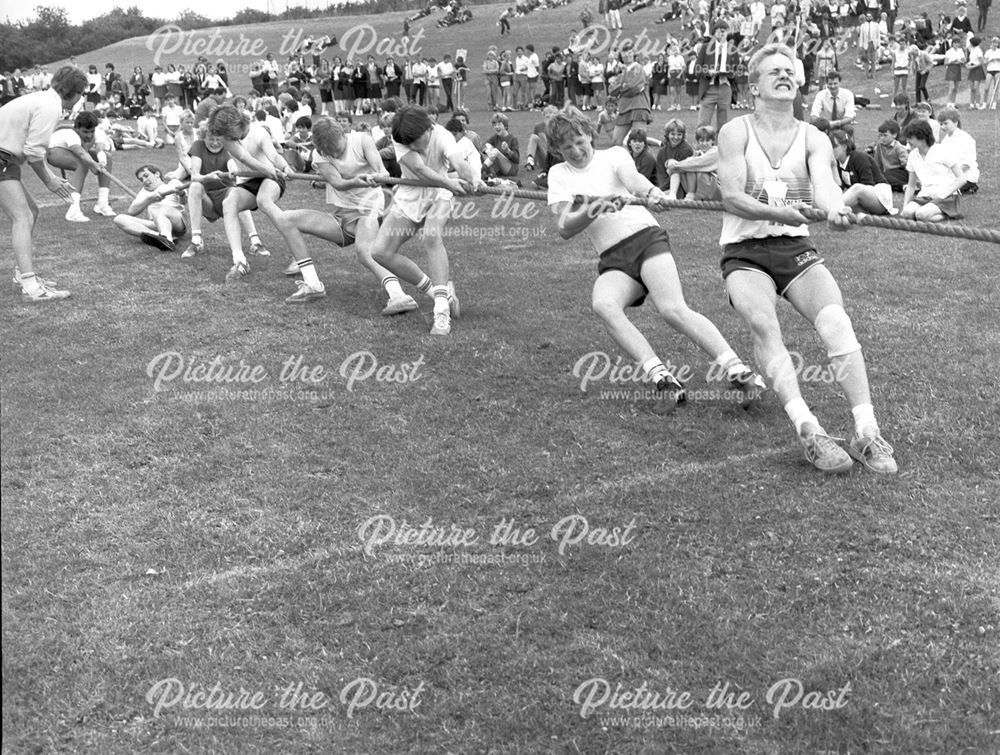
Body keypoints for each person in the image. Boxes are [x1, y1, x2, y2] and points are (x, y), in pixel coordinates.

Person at [717, 42, 898, 474]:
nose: (785, 76)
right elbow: (732, 196)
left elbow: (824, 188)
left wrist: (834, 208)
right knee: (764, 325)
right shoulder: (735, 131)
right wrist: (779, 211)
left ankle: (866, 430)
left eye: (790, 71)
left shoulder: (813, 136)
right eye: (773, 71)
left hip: (795, 247)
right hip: (744, 252)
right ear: (753, 86)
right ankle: (809, 429)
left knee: (836, 321)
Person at [545, 108, 766, 415]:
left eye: (579, 141)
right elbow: (564, 226)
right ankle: (663, 380)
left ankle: (740, 373)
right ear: (557, 150)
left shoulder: (613, 156)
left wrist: (651, 192)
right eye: (566, 148)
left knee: (672, 309)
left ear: (589, 135)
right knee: (604, 304)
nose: (576, 151)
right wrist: (594, 207)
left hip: (645, 237)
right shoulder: (559, 175)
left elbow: (633, 179)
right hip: (613, 258)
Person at [271, 117, 418, 311]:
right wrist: (358, 180)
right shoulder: (319, 154)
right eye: (329, 152)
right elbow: (338, 183)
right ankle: (313, 285)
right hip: (342, 217)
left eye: (337, 149)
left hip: (369, 209)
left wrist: (378, 176)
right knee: (285, 218)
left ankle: (399, 295)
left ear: (343, 134)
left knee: (365, 252)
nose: (334, 154)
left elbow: (380, 169)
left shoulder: (362, 140)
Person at [370, 105, 482, 336]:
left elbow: (459, 164)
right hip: (412, 194)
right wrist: (449, 182)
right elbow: (419, 170)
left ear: (428, 127)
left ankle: (441, 312)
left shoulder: (443, 135)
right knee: (380, 252)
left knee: (431, 236)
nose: (412, 146)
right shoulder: (402, 137)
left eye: (416, 141)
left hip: (439, 195)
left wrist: (474, 179)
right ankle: (440, 293)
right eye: (407, 143)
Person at [0, 65, 88, 301]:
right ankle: (31, 286)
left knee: (31, 211)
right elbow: (34, 153)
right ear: (75, 91)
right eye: (82, 93)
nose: (81, 98)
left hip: (6, 159)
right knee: (23, 216)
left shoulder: (42, 100)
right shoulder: (50, 106)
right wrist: (50, 181)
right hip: (2, 159)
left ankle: (23, 275)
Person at [206, 105, 291, 282]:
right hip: (250, 179)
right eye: (226, 137)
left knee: (264, 200)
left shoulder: (259, 132)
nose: (229, 139)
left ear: (238, 123)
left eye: (230, 135)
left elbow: (274, 157)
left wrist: (284, 168)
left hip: (273, 178)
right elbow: (245, 159)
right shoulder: (228, 137)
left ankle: (298, 252)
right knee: (229, 203)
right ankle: (240, 261)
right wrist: (268, 170)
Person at [180, 124, 264, 261]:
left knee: (238, 193)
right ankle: (196, 241)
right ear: (203, 137)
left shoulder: (228, 146)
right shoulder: (198, 146)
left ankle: (255, 242)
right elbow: (194, 176)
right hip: (207, 201)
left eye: (218, 139)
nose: (214, 143)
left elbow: (232, 165)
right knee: (195, 186)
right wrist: (207, 177)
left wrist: (233, 171)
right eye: (210, 139)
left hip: (227, 197)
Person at [45, 111, 116, 222]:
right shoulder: (71, 134)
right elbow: (81, 154)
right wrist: (93, 165)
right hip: (54, 153)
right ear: (77, 128)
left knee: (108, 157)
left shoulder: (98, 132)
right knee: (82, 162)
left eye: (91, 131)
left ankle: (102, 204)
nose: (89, 135)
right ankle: (74, 210)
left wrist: (101, 161)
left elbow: (100, 148)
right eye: (85, 132)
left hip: (76, 153)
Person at [900, 120, 967, 223]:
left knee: (921, 215)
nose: (907, 141)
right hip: (925, 195)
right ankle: (931, 213)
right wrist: (905, 206)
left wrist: (944, 193)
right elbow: (911, 185)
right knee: (907, 213)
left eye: (910, 138)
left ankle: (948, 214)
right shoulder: (912, 156)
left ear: (922, 137)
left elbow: (962, 179)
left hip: (947, 196)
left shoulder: (941, 150)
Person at [112, 164, 187, 251]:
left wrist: (182, 194)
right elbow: (132, 211)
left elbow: (184, 202)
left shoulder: (173, 183)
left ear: (157, 174)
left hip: (177, 223)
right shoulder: (144, 192)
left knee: (160, 210)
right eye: (141, 179)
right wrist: (150, 199)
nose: (144, 180)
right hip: (157, 224)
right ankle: (157, 237)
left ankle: (168, 240)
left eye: (146, 176)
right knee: (119, 219)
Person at [829, 129, 895, 215]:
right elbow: (838, 188)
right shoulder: (837, 162)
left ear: (844, 146)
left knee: (857, 188)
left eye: (833, 147)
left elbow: (868, 185)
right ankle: (861, 214)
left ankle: (830, 210)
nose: (830, 150)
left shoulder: (859, 158)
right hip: (861, 199)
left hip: (879, 197)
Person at [608, 42, 652, 145]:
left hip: (639, 106)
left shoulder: (638, 68)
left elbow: (633, 87)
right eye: (624, 53)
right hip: (624, 108)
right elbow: (611, 90)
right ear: (620, 56)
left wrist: (621, 90)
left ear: (634, 54)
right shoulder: (622, 73)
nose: (627, 55)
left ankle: (643, 161)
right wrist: (622, 87)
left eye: (629, 52)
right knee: (615, 141)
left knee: (638, 141)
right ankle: (622, 161)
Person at [696, 22, 734, 133]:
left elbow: (737, 69)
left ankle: (721, 148)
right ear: (713, 33)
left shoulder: (733, 49)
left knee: (724, 124)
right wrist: (708, 72)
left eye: (724, 31)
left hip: (725, 87)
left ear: (728, 33)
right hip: (709, 88)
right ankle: (701, 149)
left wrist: (730, 72)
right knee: (703, 123)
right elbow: (697, 68)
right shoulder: (705, 47)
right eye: (718, 31)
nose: (721, 33)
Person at [665, 124, 720, 201]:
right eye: (701, 141)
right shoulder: (698, 153)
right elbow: (691, 161)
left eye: (707, 140)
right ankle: (672, 194)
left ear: (713, 141)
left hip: (715, 187)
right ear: (697, 142)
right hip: (701, 186)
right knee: (683, 166)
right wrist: (672, 163)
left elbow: (699, 163)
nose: (704, 143)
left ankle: (690, 195)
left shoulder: (715, 152)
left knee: (690, 166)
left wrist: (677, 165)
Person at [936, 106, 979, 194]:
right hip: (951, 175)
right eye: (941, 124)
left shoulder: (966, 139)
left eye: (946, 123)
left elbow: (967, 165)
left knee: (943, 190)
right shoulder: (946, 140)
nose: (943, 127)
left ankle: (970, 187)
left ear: (955, 122)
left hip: (965, 177)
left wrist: (949, 175)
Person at [655, 119, 694, 193]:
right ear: (667, 134)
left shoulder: (686, 150)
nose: (676, 137)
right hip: (664, 187)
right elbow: (660, 174)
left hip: (681, 186)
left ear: (683, 136)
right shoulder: (662, 152)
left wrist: (662, 190)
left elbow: (680, 174)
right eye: (673, 134)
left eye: (679, 134)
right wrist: (661, 189)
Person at [870, 119, 909, 191]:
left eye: (885, 135)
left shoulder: (899, 148)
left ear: (894, 135)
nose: (882, 138)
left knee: (888, 175)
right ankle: (894, 186)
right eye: (880, 135)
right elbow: (877, 163)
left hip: (899, 173)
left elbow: (907, 165)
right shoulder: (879, 146)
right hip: (886, 173)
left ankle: (903, 186)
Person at [482, 112, 520, 178]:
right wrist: (487, 150)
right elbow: (485, 147)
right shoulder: (495, 137)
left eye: (499, 124)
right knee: (487, 152)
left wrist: (508, 150)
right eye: (495, 125)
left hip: (511, 168)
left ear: (505, 126)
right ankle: (490, 173)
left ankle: (482, 170)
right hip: (500, 168)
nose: (496, 127)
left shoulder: (513, 139)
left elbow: (517, 160)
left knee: (495, 151)